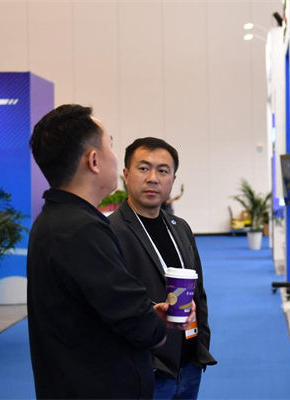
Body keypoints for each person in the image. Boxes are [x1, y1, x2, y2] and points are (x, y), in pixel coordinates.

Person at [27, 105, 193, 400]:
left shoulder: (56, 220)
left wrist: (149, 313)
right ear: (94, 160)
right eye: (111, 146)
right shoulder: (83, 230)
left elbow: (101, 304)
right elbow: (136, 321)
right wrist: (152, 323)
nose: (114, 157)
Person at [109, 138, 216, 400]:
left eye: (163, 170)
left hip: (189, 365)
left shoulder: (180, 227)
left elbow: (198, 292)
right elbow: (112, 304)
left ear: (173, 178)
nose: (153, 178)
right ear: (126, 174)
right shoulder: (110, 232)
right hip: (147, 371)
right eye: (143, 168)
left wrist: (200, 346)